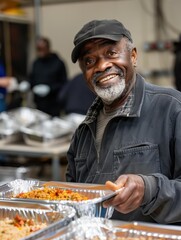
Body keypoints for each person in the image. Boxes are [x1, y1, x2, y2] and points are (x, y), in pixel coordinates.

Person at [66, 19, 181, 225]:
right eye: (90, 61)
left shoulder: (172, 109)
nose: (102, 66)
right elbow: (71, 199)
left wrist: (150, 190)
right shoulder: (83, 133)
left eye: (111, 53)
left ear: (133, 56)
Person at [28, 37, 68, 116]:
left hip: (53, 105)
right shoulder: (36, 63)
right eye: (38, 49)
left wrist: (50, 89)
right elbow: (31, 79)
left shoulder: (58, 63)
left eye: (42, 49)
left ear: (48, 48)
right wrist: (28, 84)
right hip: (38, 104)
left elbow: (64, 83)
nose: (40, 52)